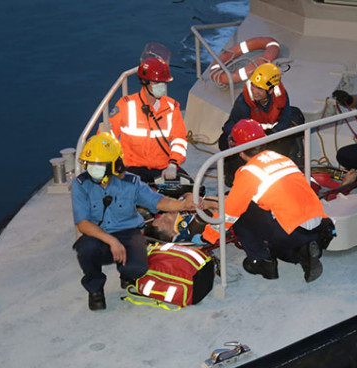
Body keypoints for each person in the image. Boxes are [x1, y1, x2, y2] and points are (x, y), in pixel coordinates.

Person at [72, 132, 197, 311]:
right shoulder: (81, 184)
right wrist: (112, 241)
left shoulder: (131, 182)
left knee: (137, 269)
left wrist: (184, 205)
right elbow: (83, 223)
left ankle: (126, 274)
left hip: (127, 233)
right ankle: (95, 290)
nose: (93, 168)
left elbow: (157, 201)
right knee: (86, 249)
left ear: (114, 165)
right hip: (98, 235)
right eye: (89, 163)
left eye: (99, 164)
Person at [204, 119, 331, 283]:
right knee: (273, 231)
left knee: (242, 213)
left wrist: (207, 237)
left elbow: (230, 212)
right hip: (317, 224)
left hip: (289, 230)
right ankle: (303, 252)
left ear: (240, 151)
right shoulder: (280, 158)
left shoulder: (248, 172)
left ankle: (262, 262)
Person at [217, 63, 305, 186]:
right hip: (248, 139)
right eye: (253, 86)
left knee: (292, 127)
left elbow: (285, 120)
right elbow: (233, 127)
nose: (254, 91)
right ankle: (236, 176)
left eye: (260, 89)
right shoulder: (243, 102)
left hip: (270, 136)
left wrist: (272, 135)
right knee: (226, 142)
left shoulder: (281, 96)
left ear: (271, 90)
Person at [107, 56, 189, 185]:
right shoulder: (125, 105)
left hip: (163, 168)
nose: (162, 86)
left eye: (164, 82)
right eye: (157, 83)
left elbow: (179, 139)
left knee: (193, 189)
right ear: (145, 82)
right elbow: (107, 137)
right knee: (143, 196)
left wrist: (173, 164)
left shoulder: (172, 107)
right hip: (132, 168)